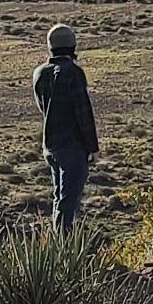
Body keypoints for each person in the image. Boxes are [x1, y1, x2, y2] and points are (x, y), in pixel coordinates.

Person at [31, 22, 100, 234]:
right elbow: (83, 113)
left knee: (59, 196)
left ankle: (58, 240)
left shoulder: (40, 73)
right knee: (69, 199)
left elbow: (43, 108)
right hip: (73, 146)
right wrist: (92, 147)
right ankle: (64, 246)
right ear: (72, 46)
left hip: (50, 144)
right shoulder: (73, 73)